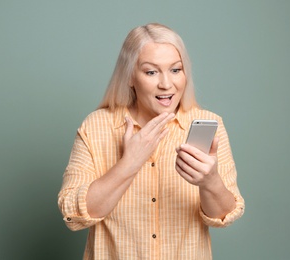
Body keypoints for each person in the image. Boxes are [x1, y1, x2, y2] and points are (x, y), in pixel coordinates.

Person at [58, 23, 245, 260]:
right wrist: (129, 163)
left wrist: (210, 181)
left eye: (176, 70)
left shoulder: (209, 124)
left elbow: (225, 215)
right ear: (129, 77)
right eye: (151, 72)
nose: (166, 84)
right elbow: (73, 215)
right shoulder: (96, 127)